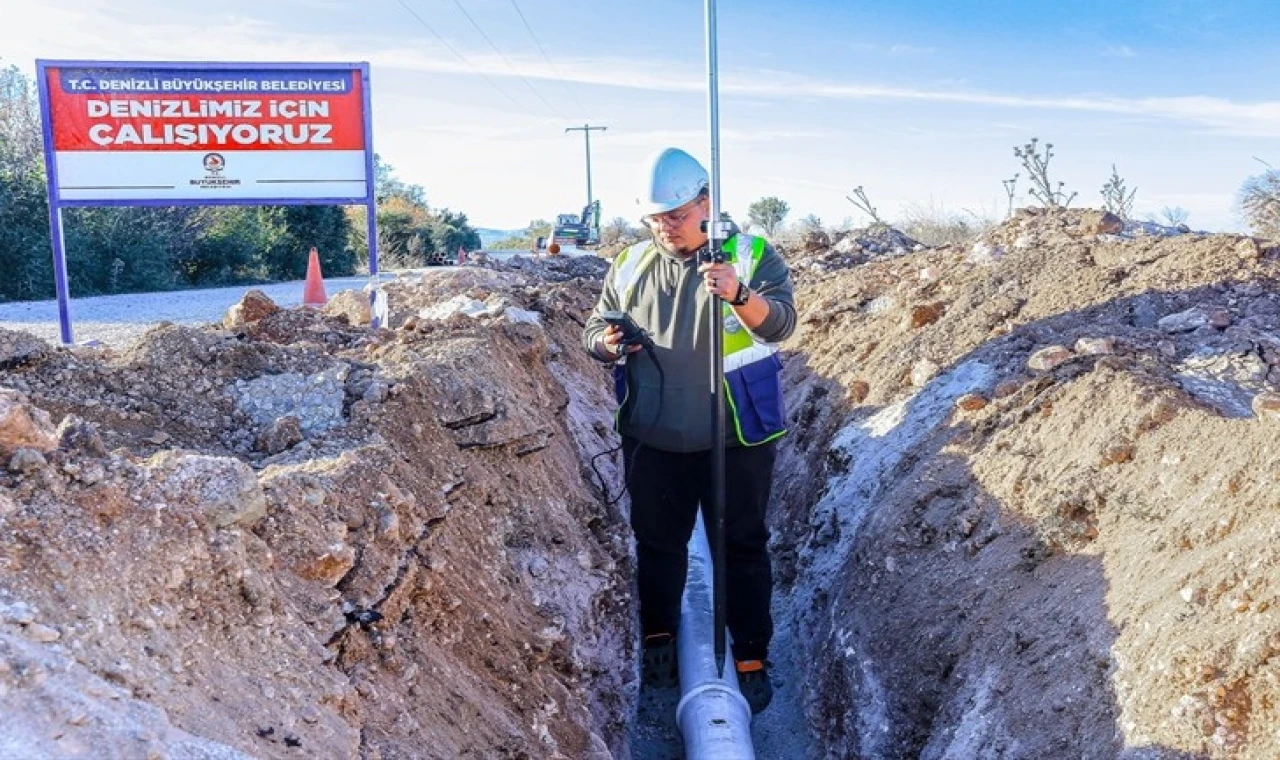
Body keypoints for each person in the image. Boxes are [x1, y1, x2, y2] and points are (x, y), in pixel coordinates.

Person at [580, 147, 796, 713]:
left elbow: (782, 323)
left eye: (675, 216)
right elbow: (593, 328)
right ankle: (659, 639)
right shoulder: (628, 264)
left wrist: (738, 295)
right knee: (657, 547)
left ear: (706, 202)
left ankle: (750, 653)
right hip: (655, 438)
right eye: (655, 219)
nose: (665, 228)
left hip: (737, 437)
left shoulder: (749, 256)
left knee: (742, 546)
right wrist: (604, 343)